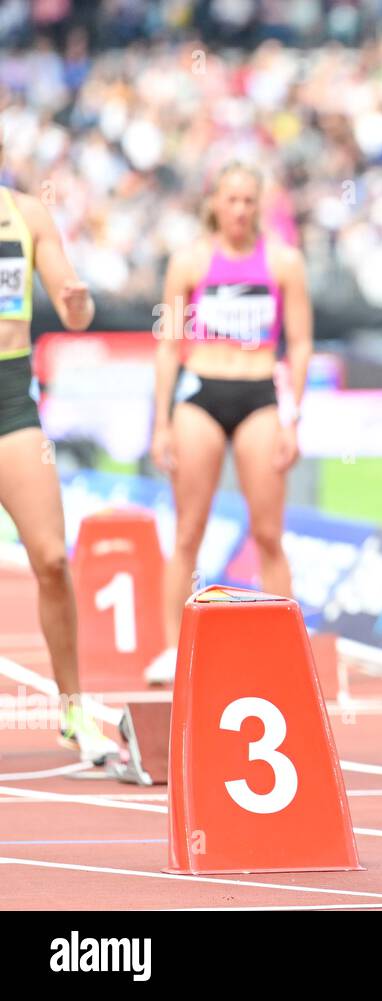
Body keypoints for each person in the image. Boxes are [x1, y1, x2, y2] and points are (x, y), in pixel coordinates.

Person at [145, 162, 313, 683]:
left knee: (268, 533)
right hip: (201, 392)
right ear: (213, 202)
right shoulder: (189, 262)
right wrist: (161, 422)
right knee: (188, 531)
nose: (240, 210)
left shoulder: (284, 262)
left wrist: (292, 419)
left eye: (248, 200)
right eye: (231, 200)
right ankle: (173, 649)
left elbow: (301, 343)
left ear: (258, 205)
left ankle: (279, 649)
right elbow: (170, 345)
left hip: (259, 394)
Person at [0, 158, 118, 761]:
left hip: (11, 399)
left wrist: (75, 304)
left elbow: (76, 311)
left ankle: (74, 711)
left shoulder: (27, 214)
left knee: (50, 558)